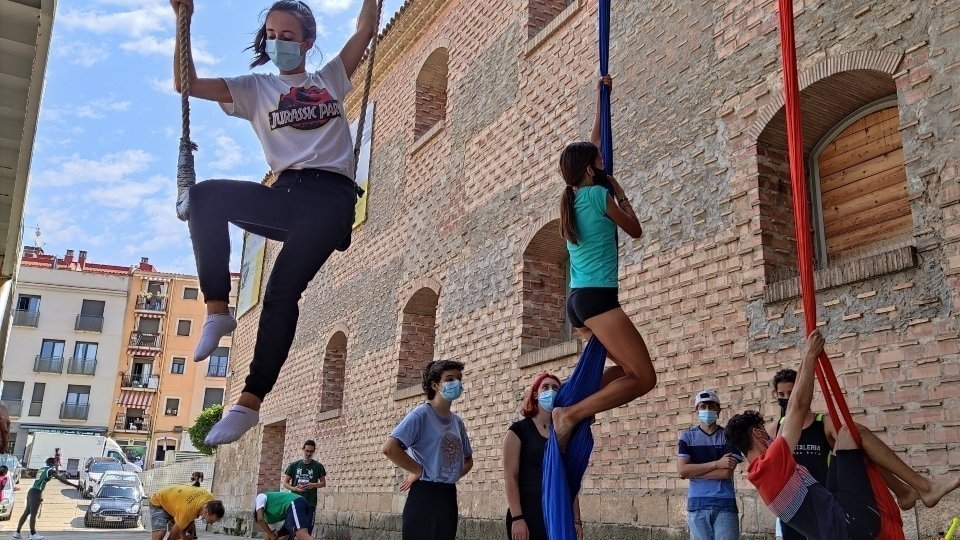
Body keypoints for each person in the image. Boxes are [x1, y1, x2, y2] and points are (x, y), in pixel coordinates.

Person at [168, 0, 379, 445]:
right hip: (285, 194)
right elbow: (184, 84)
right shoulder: (255, 89)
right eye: (271, 34)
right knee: (205, 197)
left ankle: (249, 401)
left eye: (288, 35)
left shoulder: (330, 79)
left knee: (281, 289)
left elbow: (366, 29)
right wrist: (181, 20)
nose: (278, 42)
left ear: (307, 41)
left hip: (331, 200)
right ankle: (218, 311)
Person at [726, 330, 960, 539]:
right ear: (758, 433)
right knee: (854, 433)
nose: (771, 436)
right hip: (851, 523)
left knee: (848, 436)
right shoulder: (771, 464)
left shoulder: (758, 473)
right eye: (766, 432)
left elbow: (796, 402)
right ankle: (923, 488)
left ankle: (905, 492)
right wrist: (809, 355)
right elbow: (797, 406)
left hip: (836, 511)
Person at [551, 75, 657, 450]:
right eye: (598, 159)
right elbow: (636, 230)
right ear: (589, 168)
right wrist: (622, 194)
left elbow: (594, 142)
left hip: (578, 303)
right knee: (644, 378)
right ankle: (568, 413)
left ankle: (564, 397)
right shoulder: (599, 195)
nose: (603, 158)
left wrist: (602, 96)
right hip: (598, 301)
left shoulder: (573, 198)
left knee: (624, 371)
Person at [382, 360, 474, 540]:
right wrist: (418, 470)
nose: (456, 383)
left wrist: (451, 474)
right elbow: (390, 448)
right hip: (424, 493)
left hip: (447, 494)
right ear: (435, 384)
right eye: (449, 379)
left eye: (459, 378)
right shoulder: (421, 415)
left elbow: (468, 460)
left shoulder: (457, 422)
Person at [503, 373, 583, 540]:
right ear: (535, 394)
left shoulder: (563, 432)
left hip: (557, 513)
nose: (550, 391)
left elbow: (569, 479)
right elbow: (510, 476)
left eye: (555, 388)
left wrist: (576, 520)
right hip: (527, 513)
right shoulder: (518, 431)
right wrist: (517, 518)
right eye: (545, 387)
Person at [677, 390, 742, 540]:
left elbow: (726, 473)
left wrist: (693, 472)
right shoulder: (688, 437)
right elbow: (682, 470)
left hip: (724, 505)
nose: (707, 410)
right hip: (697, 505)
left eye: (712, 406)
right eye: (703, 406)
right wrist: (717, 463)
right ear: (696, 409)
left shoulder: (729, 436)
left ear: (719, 410)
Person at [13, 457, 78, 540]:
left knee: (27, 512)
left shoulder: (42, 469)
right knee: (33, 513)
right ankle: (33, 534)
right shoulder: (50, 471)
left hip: (31, 491)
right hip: (36, 492)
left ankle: (17, 532)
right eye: (56, 463)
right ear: (53, 463)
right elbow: (61, 480)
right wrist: (75, 485)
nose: (57, 464)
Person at [148, 485, 225, 540]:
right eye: (211, 521)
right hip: (159, 501)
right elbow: (172, 537)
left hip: (177, 504)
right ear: (206, 511)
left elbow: (193, 511)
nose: (211, 523)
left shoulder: (211, 500)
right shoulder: (187, 511)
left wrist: (185, 535)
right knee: (160, 534)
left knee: (182, 535)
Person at [282, 440, 326, 535]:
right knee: (292, 529)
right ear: (303, 449)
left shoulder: (318, 466)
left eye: (311, 451)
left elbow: (323, 483)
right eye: (306, 451)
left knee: (308, 529)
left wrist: (313, 485)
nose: (308, 453)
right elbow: (285, 483)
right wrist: (295, 489)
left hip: (310, 502)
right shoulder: (294, 465)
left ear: (314, 451)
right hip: (295, 501)